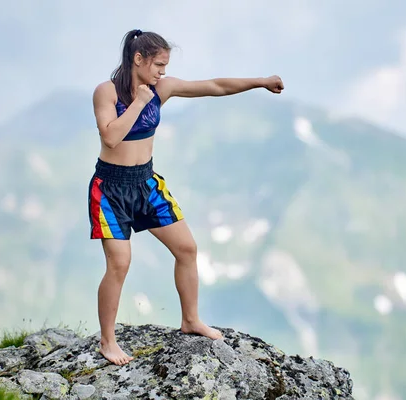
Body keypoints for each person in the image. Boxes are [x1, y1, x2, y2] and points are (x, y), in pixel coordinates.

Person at [88, 29, 284, 366]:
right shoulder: (107, 92)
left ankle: (190, 320)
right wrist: (138, 103)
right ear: (138, 60)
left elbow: (214, 86)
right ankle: (108, 341)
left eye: (166, 66)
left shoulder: (163, 88)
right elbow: (110, 138)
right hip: (110, 189)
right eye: (159, 65)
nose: (163, 72)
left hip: (146, 183)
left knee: (187, 249)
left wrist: (260, 81)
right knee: (119, 264)